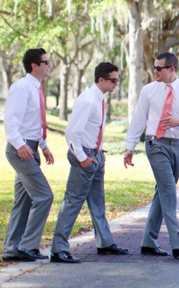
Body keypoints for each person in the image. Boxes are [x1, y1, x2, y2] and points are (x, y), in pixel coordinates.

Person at [124, 52, 179, 259]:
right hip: (155, 143)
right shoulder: (149, 90)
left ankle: (148, 242)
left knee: (163, 192)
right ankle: (177, 243)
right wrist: (129, 147)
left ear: (172, 69)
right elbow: (139, 119)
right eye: (154, 67)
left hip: (176, 145)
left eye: (159, 68)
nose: (155, 71)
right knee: (168, 190)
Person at [50, 62, 130, 263]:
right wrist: (83, 158)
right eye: (113, 80)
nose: (116, 84)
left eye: (117, 80)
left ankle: (105, 243)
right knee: (72, 202)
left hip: (94, 154)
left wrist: (97, 146)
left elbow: (91, 128)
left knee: (97, 201)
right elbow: (71, 132)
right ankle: (59, 249)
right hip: (84, 157)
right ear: (101, 80)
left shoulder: (99, 99)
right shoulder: (87, 100)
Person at [2, 48, 56, 262]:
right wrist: (20, 145)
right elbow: (11, 120)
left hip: (31, 147)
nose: (49, 65)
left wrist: (43, 146)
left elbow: (34, 122)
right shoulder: (22, 87)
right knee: (44, 196)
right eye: (46, 62)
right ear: (34, 65)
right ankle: (27, 246)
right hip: (21, 149)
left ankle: (12, 249)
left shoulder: (36, 89)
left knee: (23, 201)